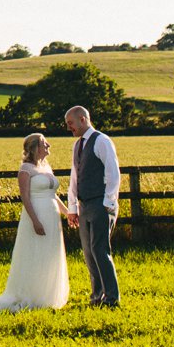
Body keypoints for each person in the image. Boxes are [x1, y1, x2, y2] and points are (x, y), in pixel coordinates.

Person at [0, 132, 70, 312]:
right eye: (44, 143)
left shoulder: (46, 167)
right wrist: (35, 221)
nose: (48, 145)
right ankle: (32, 293)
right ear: (35, 148)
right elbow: (25, 197)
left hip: (52, 216)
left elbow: (53, 194)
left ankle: (47, 294)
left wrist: (67, 212)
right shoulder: (26, 169)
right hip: (37, 213)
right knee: (34, 252)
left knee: (50, 254)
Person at [62, 105, 121, 307]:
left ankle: (111, 297)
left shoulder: (102, 141)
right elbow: (74, 177)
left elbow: (113, 174)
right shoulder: (77, 146)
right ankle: (97, 297)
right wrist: (72, 208)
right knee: (88, 252)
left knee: (100, 250)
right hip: (84, 204)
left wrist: (107, 203)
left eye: (70, 123)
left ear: (83, 119)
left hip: (100, 203)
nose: (69, 127)